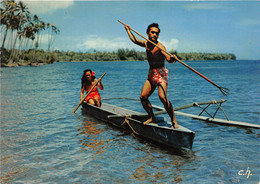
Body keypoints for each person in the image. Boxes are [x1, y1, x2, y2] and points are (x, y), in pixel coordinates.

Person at [124, 23, 179, 129]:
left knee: (162, 97)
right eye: (153, 32)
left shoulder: (160, 46)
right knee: (143, 97)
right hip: (152, 73)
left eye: (157, 33)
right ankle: (152, 117)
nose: (155, 35)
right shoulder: (146, 43)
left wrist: (173, 58)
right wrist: (128, 30)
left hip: (161, 74)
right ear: (148, 33)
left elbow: (168, 59)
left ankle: (173, 120)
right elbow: (135, 40)